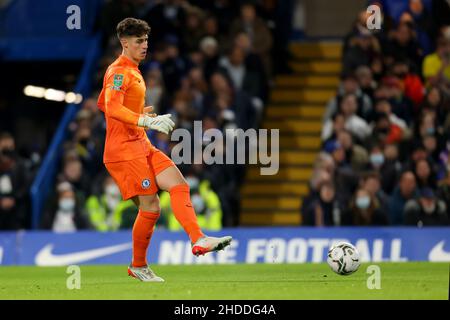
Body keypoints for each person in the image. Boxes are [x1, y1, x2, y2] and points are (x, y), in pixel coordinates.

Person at [97, 18, 232, 282]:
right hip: (124, 151)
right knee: (151, 207)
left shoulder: (133, 70)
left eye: (146, 40)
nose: (144, 45)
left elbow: (104, 104)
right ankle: (138, 265)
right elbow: (112, 107)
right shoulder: (118, 71)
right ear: (124, 43)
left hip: (140, 143)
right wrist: (144, 120)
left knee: (178, 183)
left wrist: (141, 114)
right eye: (139, 41)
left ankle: (199, 239)